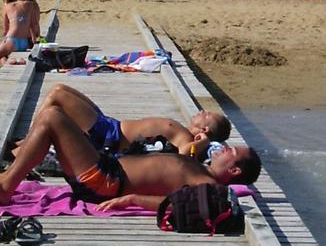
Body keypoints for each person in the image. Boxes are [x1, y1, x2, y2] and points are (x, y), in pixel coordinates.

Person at [0, 105, 261, 210]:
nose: (224, 149)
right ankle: (7, 180)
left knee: (53, 117)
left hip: (105, 181)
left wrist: (132, 200)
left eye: (231, 152)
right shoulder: (200, 167)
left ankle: (6, 186)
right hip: (106, 168)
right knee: (54, 115)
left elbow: (175, 205)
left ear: (235, 171)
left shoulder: (209, 186)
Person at [22, 83, 232, 158]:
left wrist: (204, 141)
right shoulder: (182, 132)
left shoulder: (185, 139)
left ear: (205, 129)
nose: (202, 110)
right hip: (109, 124)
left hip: (109, 136)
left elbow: (186, 154)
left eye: (207, 115)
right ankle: (29, 140)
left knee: (58, 95)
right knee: (60, 89)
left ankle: (27, 143)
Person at [0, 0, 40, 65]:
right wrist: (34, 40)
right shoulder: (31, 5)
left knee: (2, 55)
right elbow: (33, 25)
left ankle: (7, 62)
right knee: (4, 54)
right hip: (24, 43)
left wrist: (4, 41)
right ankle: (12, 61)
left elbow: (5, 30)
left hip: (12, 40)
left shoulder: (7, 6)